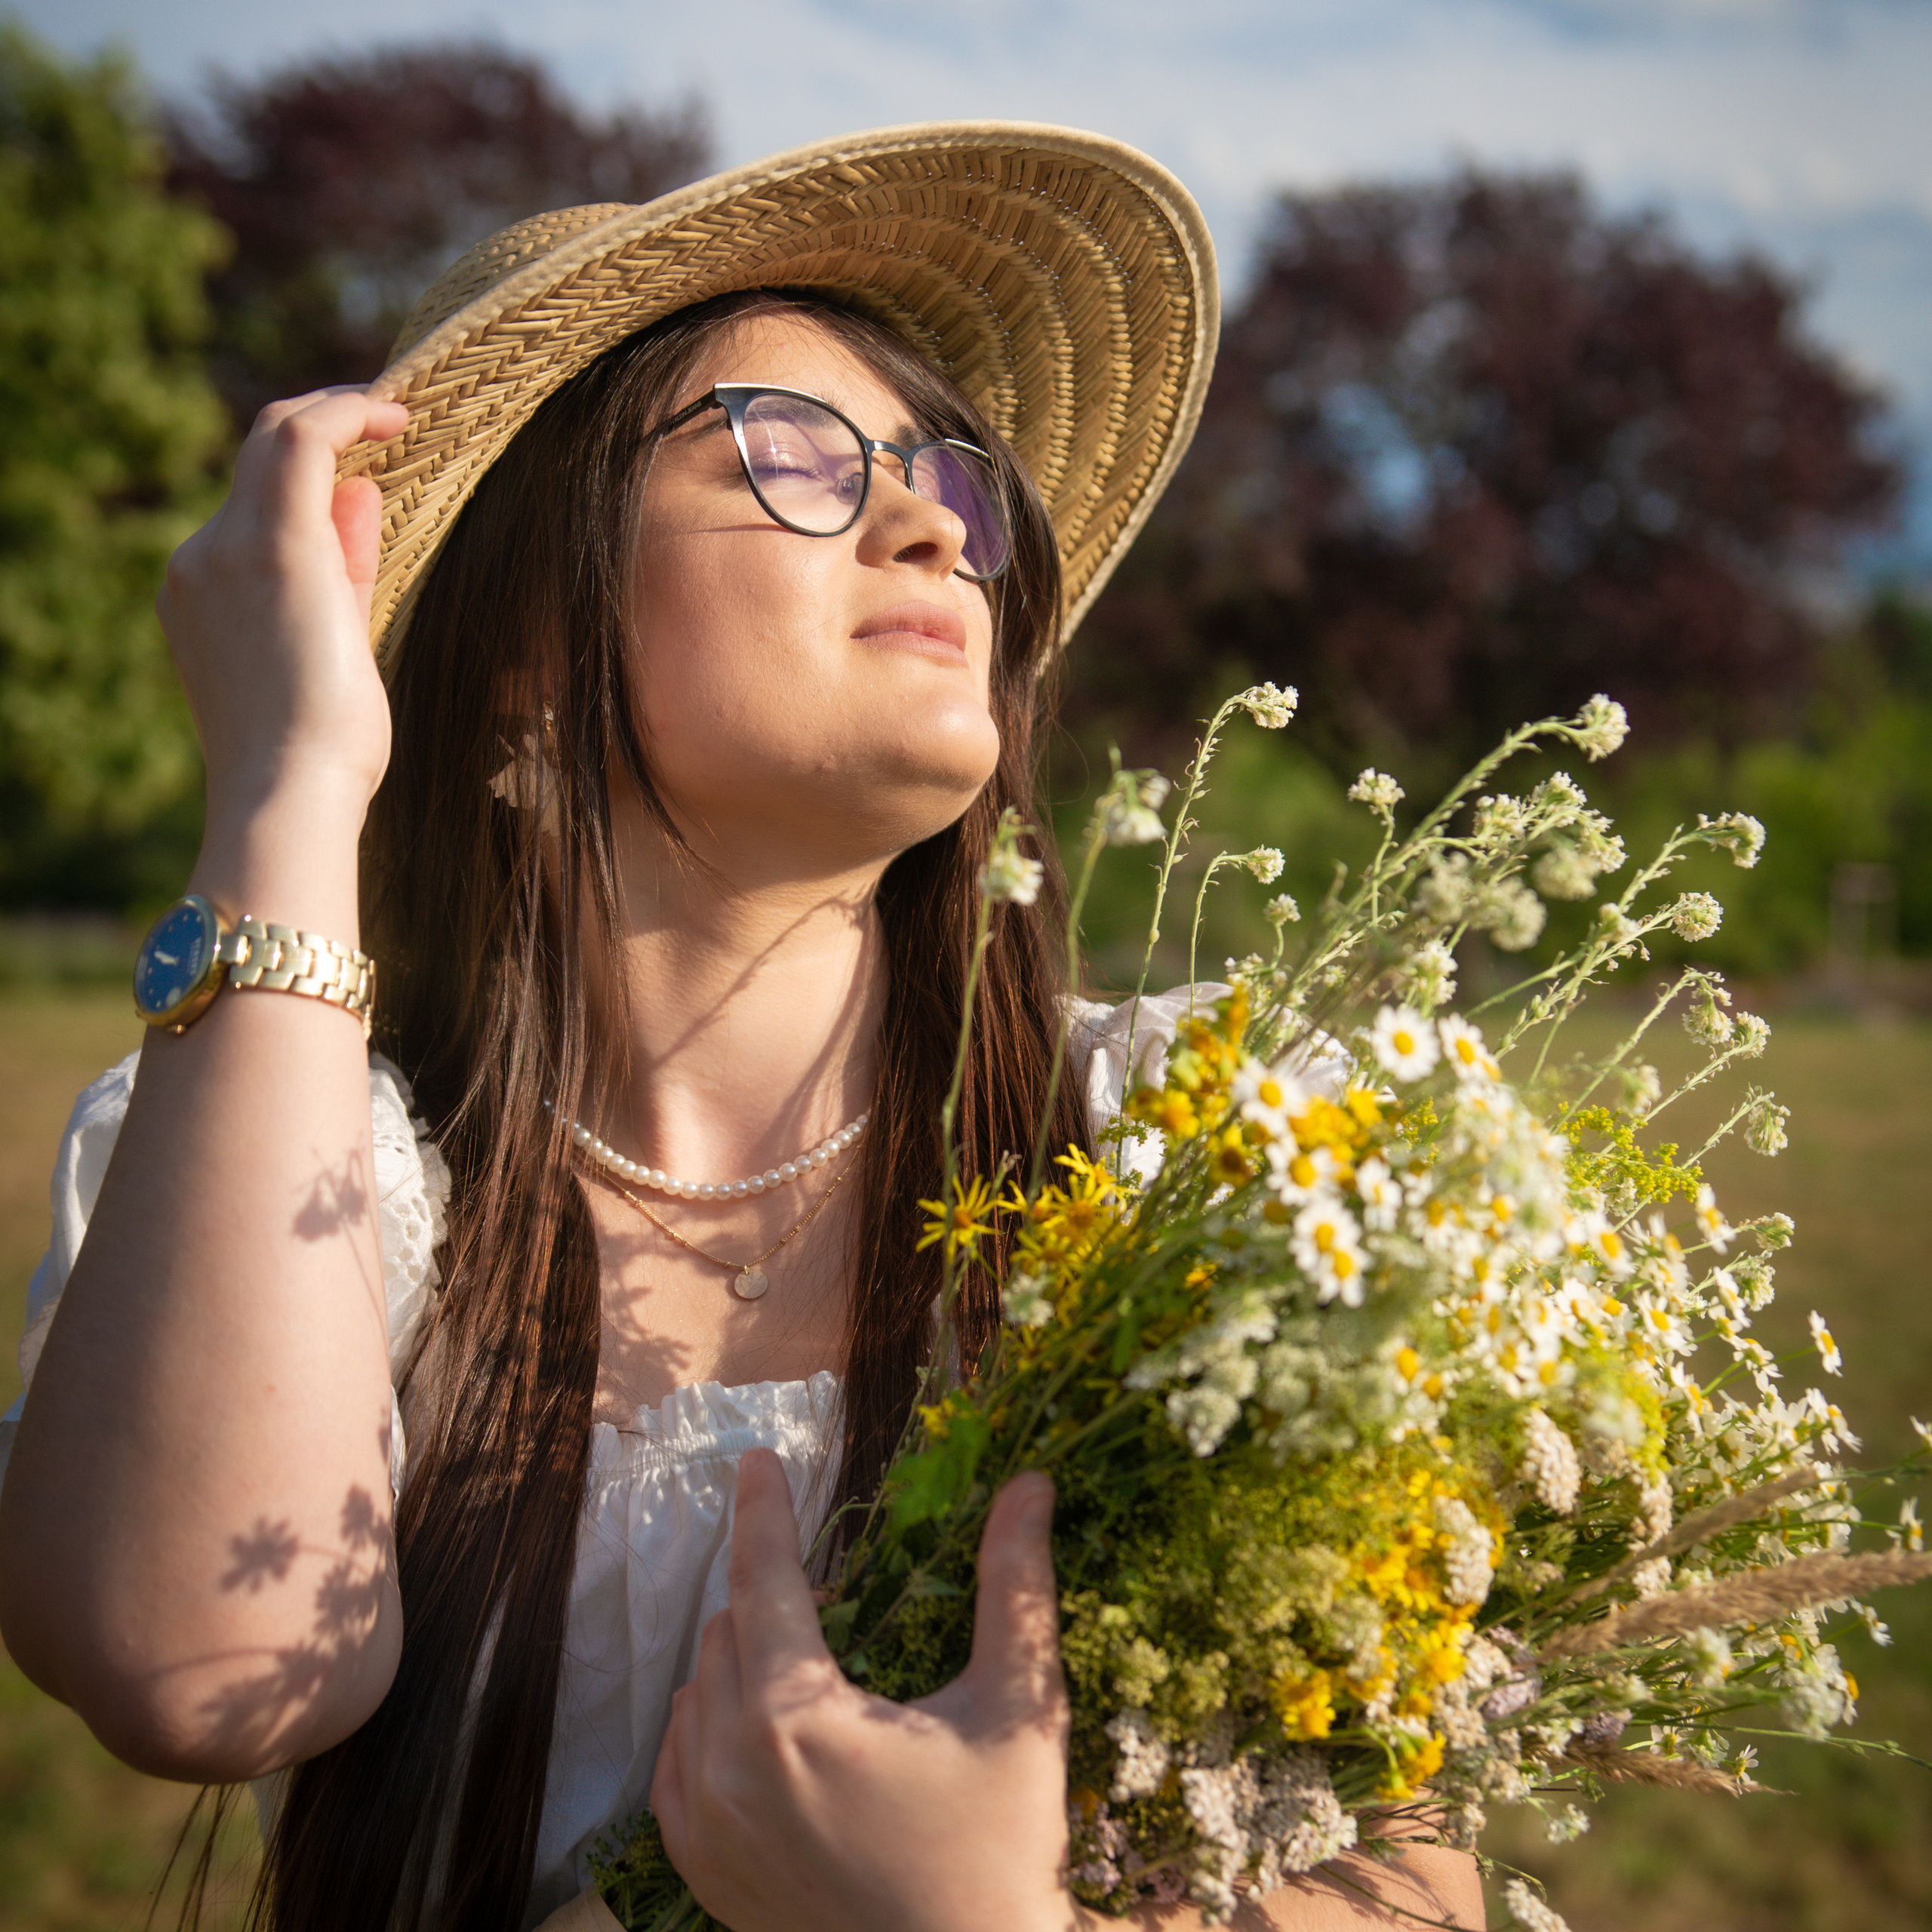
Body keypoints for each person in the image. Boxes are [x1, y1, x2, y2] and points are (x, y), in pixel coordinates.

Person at [0, 125, 1484, 1930]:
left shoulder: (1193, 1145)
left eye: (950, 471)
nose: (935, 517)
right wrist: (289, 789)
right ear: (528, 655)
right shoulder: (316, 1178)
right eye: (791, 452)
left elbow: (1415, 1885)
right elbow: (203, 1668)